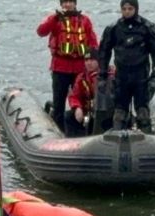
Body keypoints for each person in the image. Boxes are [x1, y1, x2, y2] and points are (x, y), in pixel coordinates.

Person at [97, 0, 155, 132]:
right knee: (119, 114)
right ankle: (117, 138)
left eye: (130, 9)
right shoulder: (113, 29)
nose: (127, 12)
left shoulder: (148, 28)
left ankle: (147, 137)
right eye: (124, 9)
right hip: (122, 77)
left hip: (141, 77)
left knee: (143, 113)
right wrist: (102, 75)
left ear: (136, 9)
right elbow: (104, 52)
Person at [36, 0, 98, 133]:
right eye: (65, 2)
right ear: (61, 4)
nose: (67, 5)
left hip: (80, 68)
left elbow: (93, 44)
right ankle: (59, 132)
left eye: (70, 2)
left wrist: (96, 64)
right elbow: (41, 32)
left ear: (75, 4)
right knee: (59, 103)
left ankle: (81, 130)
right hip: (60, 68)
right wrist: (54, 18)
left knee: (83, 100)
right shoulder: (55, 20)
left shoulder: (85, 21)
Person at [66, 53, 115, 137]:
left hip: (109, 113)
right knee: (68, 116)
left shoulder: (112, 74)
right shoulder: (82, 77)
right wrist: (77, 107)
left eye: (92, 60)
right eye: (86, 60)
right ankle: (76, 139)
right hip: (89, 113)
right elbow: (74, 96)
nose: (88, 63)